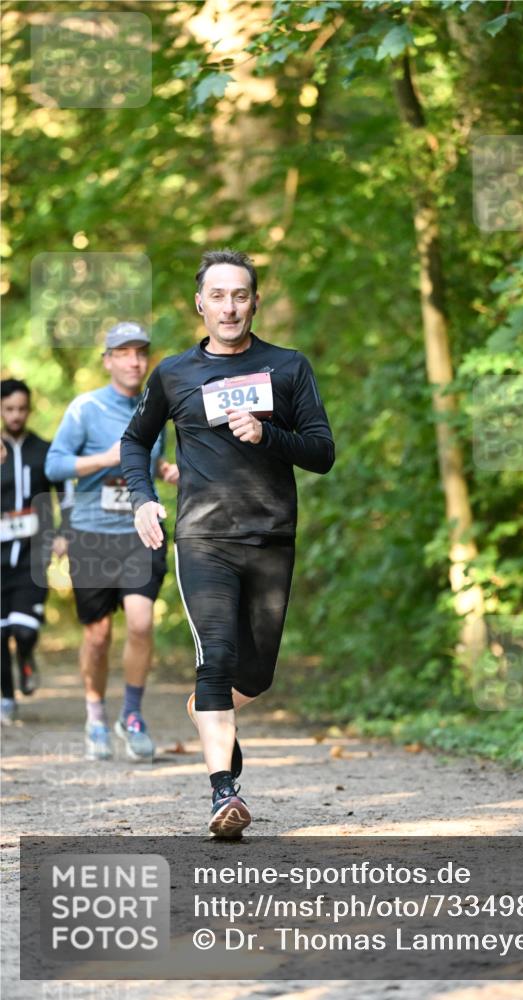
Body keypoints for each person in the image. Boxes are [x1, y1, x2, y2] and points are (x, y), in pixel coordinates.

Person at [121, 248, 335, 838]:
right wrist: (144, 499)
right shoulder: (173, 373)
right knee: (213, 657)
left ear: (255, 301)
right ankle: (224, 793)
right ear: (200, 303)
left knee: (256, 675)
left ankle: (208, 711)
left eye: (239, 295)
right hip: (203, 537)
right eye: (217, 295)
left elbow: (322, 452)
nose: (229, 306)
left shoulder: (288, 368)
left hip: (271, 537)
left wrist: (269, 436)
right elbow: (135, 442)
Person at [45, 323, 179, 762]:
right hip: (92, 534)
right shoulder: (85, 409)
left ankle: (133, 715)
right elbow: (54, 466)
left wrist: (165, 470)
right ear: (107, 360)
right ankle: (96, 716)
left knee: (141, 623)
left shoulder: (155, 406)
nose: (134, 361)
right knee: (98, 636)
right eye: (123, 353)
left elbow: (151, 458)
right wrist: (108, 457)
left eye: (141, 352)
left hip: (142, 529)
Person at [1, 379, 69, 724]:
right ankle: (6, 697)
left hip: (33, 556)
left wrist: (63, 533)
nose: (15, 415)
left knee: (24, 630)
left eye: (21, 409)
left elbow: (65, 493)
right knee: (0, 632)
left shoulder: (45, 450)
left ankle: (26, 657)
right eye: (9, 409)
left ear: (29, 409)